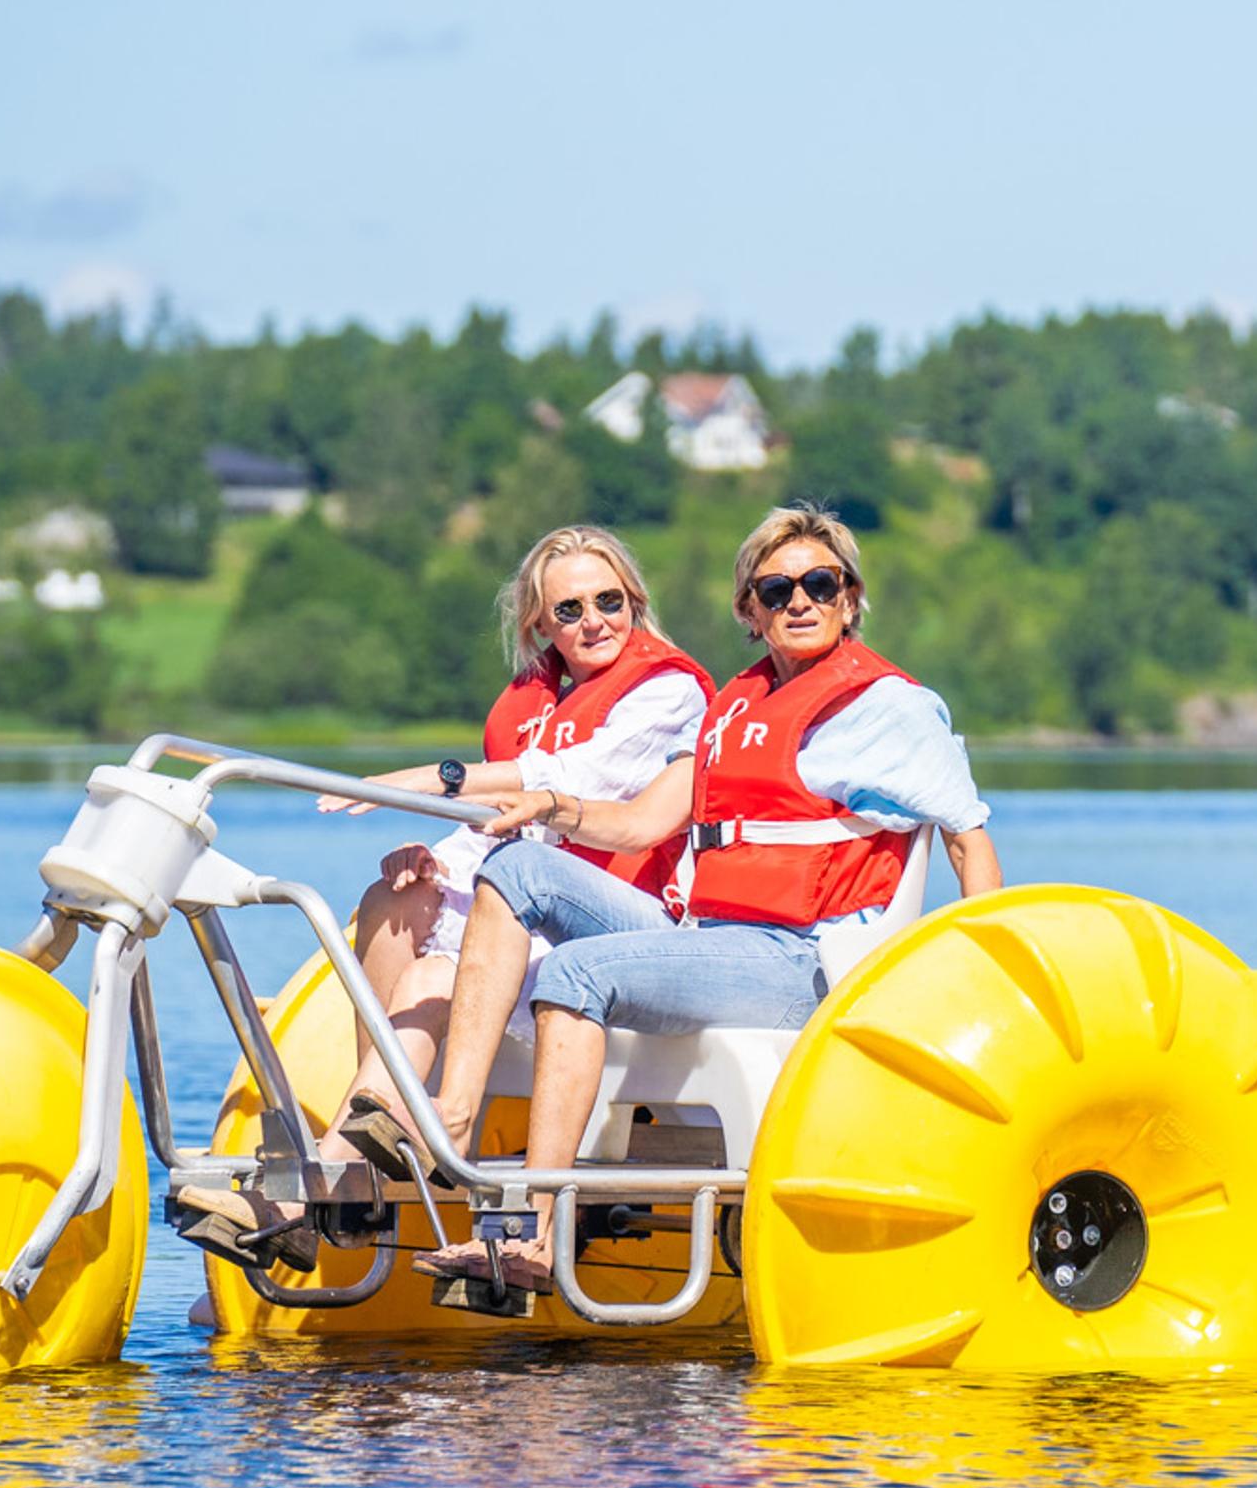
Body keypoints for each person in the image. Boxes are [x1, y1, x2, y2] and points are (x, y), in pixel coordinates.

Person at [410, 504, 1005, 1293]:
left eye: (820, 584)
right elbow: (644, 821)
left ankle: (533, 1234)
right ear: (748, 612)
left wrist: (978, 981)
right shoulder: (737, 705)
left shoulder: (887, 707)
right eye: (777, 588)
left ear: (850, 598)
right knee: (517, 868)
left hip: (803, 957)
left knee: (576, 974)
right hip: (711, 933)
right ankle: (450, 1117)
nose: (801, 600)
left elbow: (967, 837)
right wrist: (549, 806)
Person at [166, 524, 706, 1265]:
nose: (593, 622)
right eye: (570, 610)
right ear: (540, 625)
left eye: (608, 600)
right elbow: (497, 832)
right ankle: (362, 1156)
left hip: (609, 924)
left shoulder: (668, 691)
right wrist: (435, 862)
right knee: (393, 899)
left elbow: (577, 782)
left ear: (635, 602)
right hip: (527, 912)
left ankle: (334, 1172)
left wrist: (439, 778)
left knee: (431, 971)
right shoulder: (538, 698)